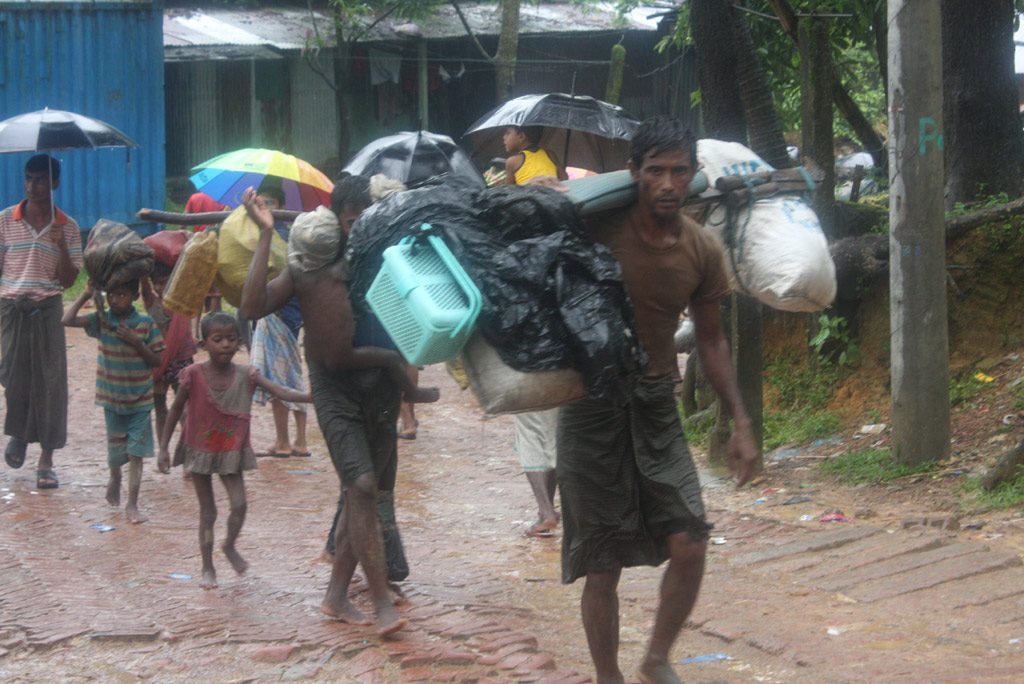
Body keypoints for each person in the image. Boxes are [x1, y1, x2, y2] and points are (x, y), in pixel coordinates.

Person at [557, 116, 759, 684]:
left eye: (678, 171)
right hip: (589, 404)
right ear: (634, 174)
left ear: (693, 176)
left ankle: (656, 658)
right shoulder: (599, 228)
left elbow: (712, 338)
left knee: (691, 539)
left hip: (654, 403)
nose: (668, 183)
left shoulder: (701, 249)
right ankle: (608, 677)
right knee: (602, 563)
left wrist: (740, 422)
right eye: (655, 171)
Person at [239, 180, 439, 637]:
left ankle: (335, 595)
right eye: (352, 221)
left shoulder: (389, 258)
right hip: (335, 391)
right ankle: (382, 602)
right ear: (338, 220)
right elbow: (251, 306)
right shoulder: (309, 264)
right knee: (362, 485)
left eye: (367, 218)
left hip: (382, 391)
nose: (360, 228)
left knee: (364, 495)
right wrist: (267, 233)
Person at [157, 312, 312, 589]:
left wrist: (315, 395)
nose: (226, 345)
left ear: (240, 342)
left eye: (231, 339)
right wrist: (164, 448)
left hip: (231, 451)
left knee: (239, 504)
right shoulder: (193, 375)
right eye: (218, 339)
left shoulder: (246, 375)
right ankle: (207, 566)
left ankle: (229, 545)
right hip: (200, 450)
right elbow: (176, 410)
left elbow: (282, 392)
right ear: (204, 343)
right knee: (208, 512)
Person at [0, 154, 82, 490]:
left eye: (41, 179)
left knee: (51, 385)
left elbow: (67, 281)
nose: (33, 186)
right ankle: (19, 434)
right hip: (11, 308)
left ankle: (46, 460)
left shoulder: (69, 227)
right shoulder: (5, 220)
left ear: (55, 183)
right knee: (13, 378)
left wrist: (62, 247)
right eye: (29, 179)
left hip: (48, 309)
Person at [63, 279, 165, 523]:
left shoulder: (145, 324)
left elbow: (157, 360)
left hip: (140, 400)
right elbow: (66, 320)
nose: (115, 300)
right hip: (112, 399)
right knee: (116, 452)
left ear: (134, 296)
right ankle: (115, 476)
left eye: (121, 294)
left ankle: (132, 504)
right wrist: (86, 294)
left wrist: (136, 342)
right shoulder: (102, 321)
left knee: (136, 453)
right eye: (111, 295)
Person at [504, 130, 564, 536]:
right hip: (564, 352)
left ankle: (545, 511)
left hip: (531, 352)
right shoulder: (568, 248)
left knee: (531, 430)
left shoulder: (515, 251)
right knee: (556, 431)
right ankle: (551, 507)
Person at [248, 186, 309, 458]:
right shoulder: (293, 236)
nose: (267, 205)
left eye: (271, 201)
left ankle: (287, 442)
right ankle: (294, 440)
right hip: (291, 315)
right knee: (290, 376)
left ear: (281, 204)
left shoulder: (278, 236)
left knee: (278, 378)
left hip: (280, 314)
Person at [141, 261, 197, 454]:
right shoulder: (151, 301)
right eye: (156, 283)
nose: (160, 287)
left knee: (184, 408)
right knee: (160, 406)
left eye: (164, 282)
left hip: (180, 360)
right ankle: (163, 450)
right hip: (157, 362)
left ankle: (187, 452)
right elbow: (145, 286)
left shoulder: (182, 301)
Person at [503, 125, 567, 186]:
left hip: (529, 196)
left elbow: (508, 191)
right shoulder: (550, 154)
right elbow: (564, 178)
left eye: (508, 133)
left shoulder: (512, 162)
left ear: (521, 137)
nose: (504, 137)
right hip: (551, 195)